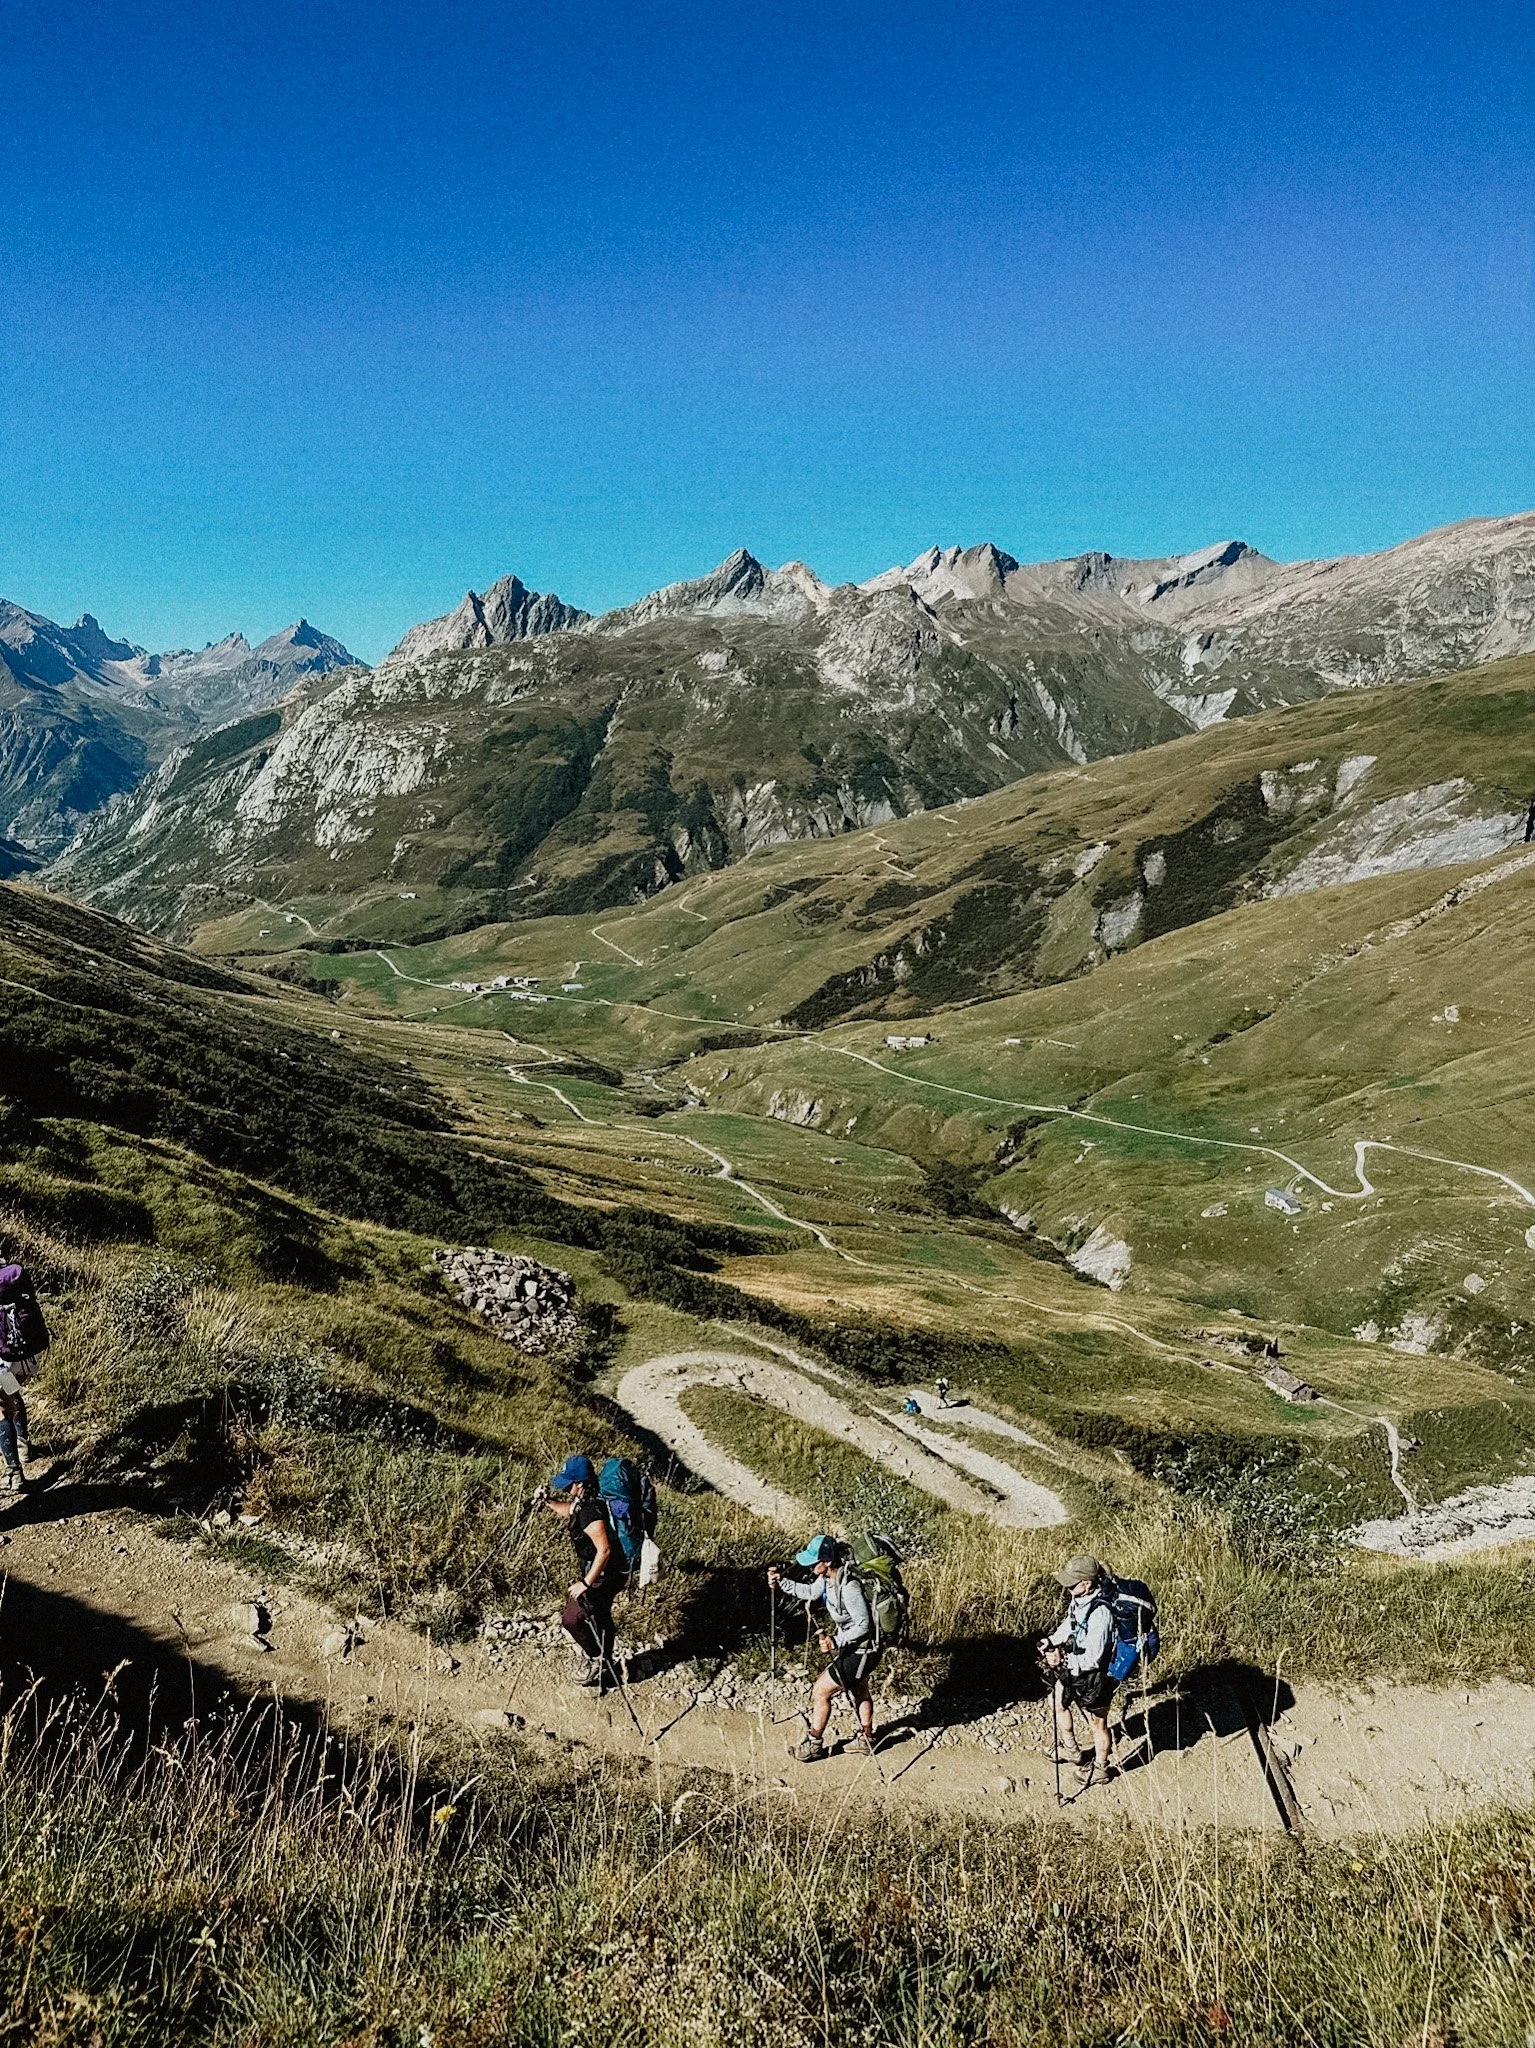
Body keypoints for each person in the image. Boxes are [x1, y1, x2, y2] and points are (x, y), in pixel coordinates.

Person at [768, 1535, 880, 1763]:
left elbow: (864, 1624)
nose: (809, 1565)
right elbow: (810, 1593)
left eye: (813, 1561)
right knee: (859, 1689)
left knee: (821, 1690)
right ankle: (866, 1739)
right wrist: (782, 1583)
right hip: (859, 1648)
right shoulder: (828, 1579)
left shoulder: (849, 1586)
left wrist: (836, 1641)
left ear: (827, 1561)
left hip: (863, 1650)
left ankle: (814, 1744)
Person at [539, 1454, 628, 1689]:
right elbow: (570, 1511)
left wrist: (586, 1584)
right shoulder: (587, 1501)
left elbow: (605, 1550)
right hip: (613, 1571)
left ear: (581, 1483)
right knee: (600, 1613)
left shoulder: (591, 1510)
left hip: (605, 1573)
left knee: (572, 1618)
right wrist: (548, 1501)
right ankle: (605, 1661)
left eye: (569, 1483)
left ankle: (595, 1659)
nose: (566, 1487)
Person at [1040, 1554, 1118, 1791]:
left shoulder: (1101, 1613)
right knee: (1058, 1703)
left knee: (1098, 1724)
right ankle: (1071, 1750)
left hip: (1096, 1676)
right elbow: (1070, 1623)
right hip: (1072, 1667)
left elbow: (1094, 1657)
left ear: (1087, 1582)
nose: (1067, 1587)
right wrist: (1051, 1640)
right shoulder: (1079, 1599)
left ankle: (1102, 1768)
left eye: (1072, 1583)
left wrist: (1062, 1659)